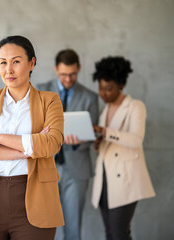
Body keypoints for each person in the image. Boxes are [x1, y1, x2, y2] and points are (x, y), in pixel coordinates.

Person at [0, 35, 65, 240]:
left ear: (32, 63)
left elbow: (51, 144)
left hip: (35, 202)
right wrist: (28, 149)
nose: (9, 70)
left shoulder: (50, 101)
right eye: (3, 62)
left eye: (16, 61)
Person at [37, 49, 99, 240]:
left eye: (72, 74)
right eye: (64, 74)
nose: (68, 79)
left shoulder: (90, 97)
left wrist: (78, 142)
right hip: (45, 167)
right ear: (56, 69)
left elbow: (92, 134)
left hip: (76, 170)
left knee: (73, 227)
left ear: (79, 69)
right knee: (43, 226)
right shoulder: (40, 91)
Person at [91, 56, 155, 240]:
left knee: (120, 233)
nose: (103, 93)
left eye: (108, 88)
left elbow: (135, 140)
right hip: (104, 177)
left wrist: (104, 131)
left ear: (121, 86)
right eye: (101, 87)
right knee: (110, 233)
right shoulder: (106, 109)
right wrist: (99, 143)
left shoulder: (135, 107)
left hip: (124, 179)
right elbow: (110, 143)